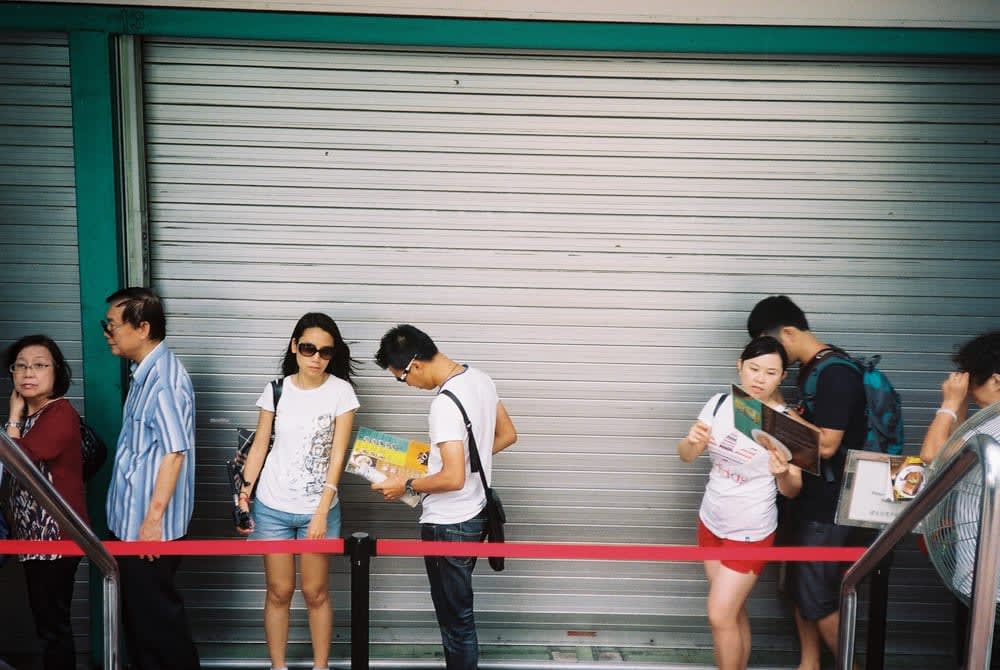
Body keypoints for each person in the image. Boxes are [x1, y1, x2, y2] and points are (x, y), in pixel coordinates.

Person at [372, 324, 517, 669]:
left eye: (401, 378)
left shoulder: (444, 405)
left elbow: (452, 477)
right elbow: (508, 434)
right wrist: (466, 460)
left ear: (415, 366)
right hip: (476, 514)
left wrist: (405, 485)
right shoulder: (480, 379)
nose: (406, 384)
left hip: (448, 524)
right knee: (460, 617)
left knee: (456, 625)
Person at [746, 295, 867, 670]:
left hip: (829, 506)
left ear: (788, 332)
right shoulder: (813, 368)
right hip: (810, 499)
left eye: (772, 345)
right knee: (801, 589)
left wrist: (777, 414)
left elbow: (827, 444)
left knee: (817, 596)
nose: (770, 358)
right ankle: (809, 664)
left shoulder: (836, 373)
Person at [235, 312, 359, 670]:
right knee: (279, 591)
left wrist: (322, 509)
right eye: (308, 349)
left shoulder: (341, 392)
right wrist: (245, 494)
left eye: (325, 351)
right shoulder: (276, 388)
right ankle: (278, 666)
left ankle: (321, 667)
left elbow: (339, 454)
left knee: (315, 592)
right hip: (271, 505)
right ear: (294, 347)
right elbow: (259, 446)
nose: (316, 358)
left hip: (318, 508)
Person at [678, 336, 802, 670]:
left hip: (750, 530)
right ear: (740, 365)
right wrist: (691, 442)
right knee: (731, 612)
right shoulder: (719, 404)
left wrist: (783, 473)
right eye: (754, 368)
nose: (759, 378)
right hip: (711, 519)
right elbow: (686, 456)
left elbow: (792, 490)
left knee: (719, 615)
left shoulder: (785, 421)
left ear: (782, 377)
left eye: (770, 372)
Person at [103, 287, 200, 669]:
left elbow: (175, 452)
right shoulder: (143, 373)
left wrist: (152, 520)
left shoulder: (164, 382)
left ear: (142, 328)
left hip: (149, 533)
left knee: (159, 626)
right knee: (141, 625)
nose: (108, 333)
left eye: (112, 325)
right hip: (130, 526)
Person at [4, 335, 89, 670]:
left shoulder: (59, 413)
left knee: (53, 627)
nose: (28, 372)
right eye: (21, 366)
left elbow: (17, 459)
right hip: (35, 541)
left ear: (58, 373)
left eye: (40, 365)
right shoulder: (34, 415)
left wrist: (11, 415)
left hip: (56, 540)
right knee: (46, 623)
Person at [919, 330, 1000, 670]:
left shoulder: (992, 425)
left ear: (995, 380)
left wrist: (951, 404)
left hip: (986, 583)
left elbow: (933, 458)